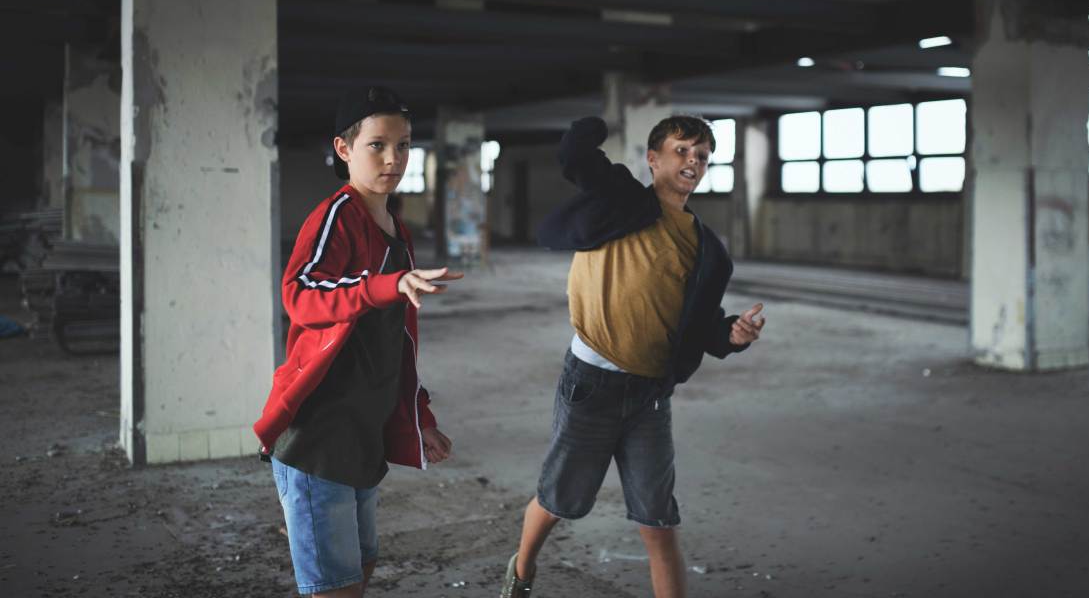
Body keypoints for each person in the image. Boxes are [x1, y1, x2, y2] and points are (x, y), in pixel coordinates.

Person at [500, 115, 766, 598]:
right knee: (559, 499)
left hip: (651, 396)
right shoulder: (619, 200)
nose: (693, 161)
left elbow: (702, 327)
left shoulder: (709, 252)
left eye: (702, 155)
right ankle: (522, 572)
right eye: (682, 150)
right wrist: (597, 124)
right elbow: (576, 157)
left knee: (658, 519)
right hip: (591, 384)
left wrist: (734, 335)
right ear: (653, 158)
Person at [254, 86, 463, 598]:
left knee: (362, 567)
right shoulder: (336, 216)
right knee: (335, 587)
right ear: (344, 149)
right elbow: (299, 294)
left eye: (404, 144)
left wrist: (420, 416)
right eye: (377, 145)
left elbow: (397, 345)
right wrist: (386, 285)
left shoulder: (398, 230)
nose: (393, 158)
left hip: (361, 438)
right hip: (317, 440)